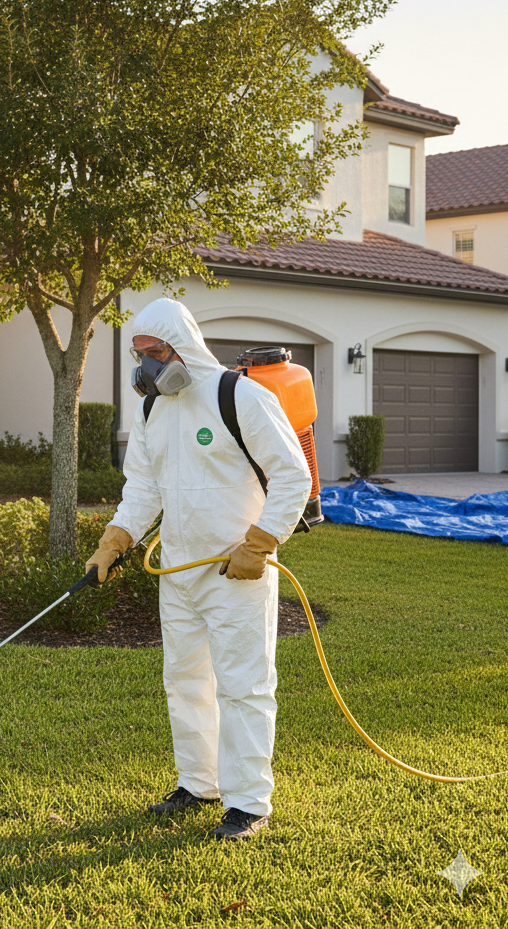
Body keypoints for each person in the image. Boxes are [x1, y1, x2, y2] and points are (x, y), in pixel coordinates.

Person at [87, 298, 312, 842]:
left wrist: (259, 544)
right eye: (139, 356)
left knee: (243, 686)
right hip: (179, 572)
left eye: (155, 354)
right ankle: (198, 782)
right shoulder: (151, 412)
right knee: (184, 679)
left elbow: (293, 475)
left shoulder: (240, 396)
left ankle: (248, 803)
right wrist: (115, 539)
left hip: (239, 572)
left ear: (181, 348)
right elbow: (143, 489)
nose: (148, 367)